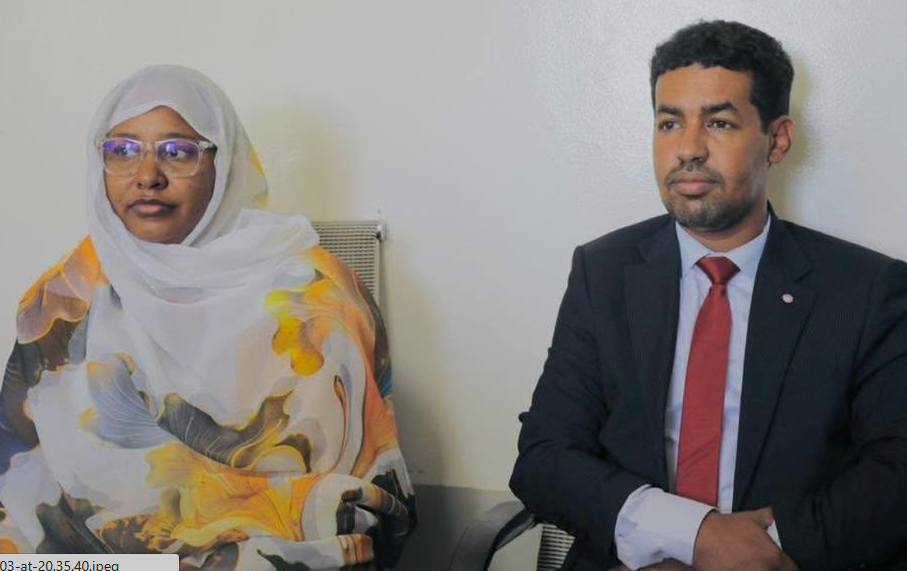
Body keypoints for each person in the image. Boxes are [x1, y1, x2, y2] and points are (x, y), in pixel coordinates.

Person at [510, 20, 907, 571]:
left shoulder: (867, 289)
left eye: (719, 122)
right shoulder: (603, 272)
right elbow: (545, 454)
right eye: (669, 122)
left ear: (777, 140)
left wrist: (762, 551)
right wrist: (687, 535)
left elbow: (896, 471)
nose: (688, 148)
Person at [0, 65, 415, 571]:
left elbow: (346, 501)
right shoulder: (65, 297)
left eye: (178, 151)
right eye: (122, 150)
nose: (147, 175)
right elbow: (19, 487)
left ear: (226, 164)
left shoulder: (315, 294)